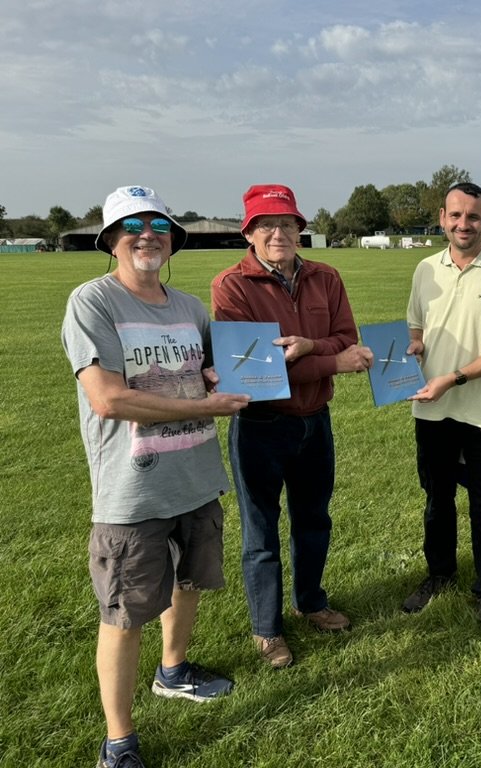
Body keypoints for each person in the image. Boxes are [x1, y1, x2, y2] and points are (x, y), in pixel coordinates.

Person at [61, 186, 251, 768]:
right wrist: (205, 407)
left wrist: (267, 363)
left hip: (194, 476)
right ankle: (118, 742)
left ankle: (173, 671)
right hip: (133, 490)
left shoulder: (191, 308)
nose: (147, 234)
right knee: (123, 614)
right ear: (110, 240)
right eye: (132, 225)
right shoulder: (92, 301)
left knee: (186, 584)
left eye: (159, 225)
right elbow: (109, 400)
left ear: (172, 239)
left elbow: (219, 372)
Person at [211, 184, 373, 669]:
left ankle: (311, 601)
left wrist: (309, 348)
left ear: (300, 229)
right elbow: (251, 372)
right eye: (266, 224)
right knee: (260, 531)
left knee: (314, 519)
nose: (277, 232)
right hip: (260, 425)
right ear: (249, 232)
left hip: (315, 423)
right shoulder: (232, 286)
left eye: (286, 223)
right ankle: (267, 630)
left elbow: (349, 339)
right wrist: (334, 362)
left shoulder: (327, 277)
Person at [403, 181, 481, 640]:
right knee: (438, 502)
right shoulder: (424, 269)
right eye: (455, 215)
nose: (463, 224)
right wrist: (416, 344)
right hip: (432, 411)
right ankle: (439, 575)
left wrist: (453, 378)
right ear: (442, 218)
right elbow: (416, 324)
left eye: (473, 217)